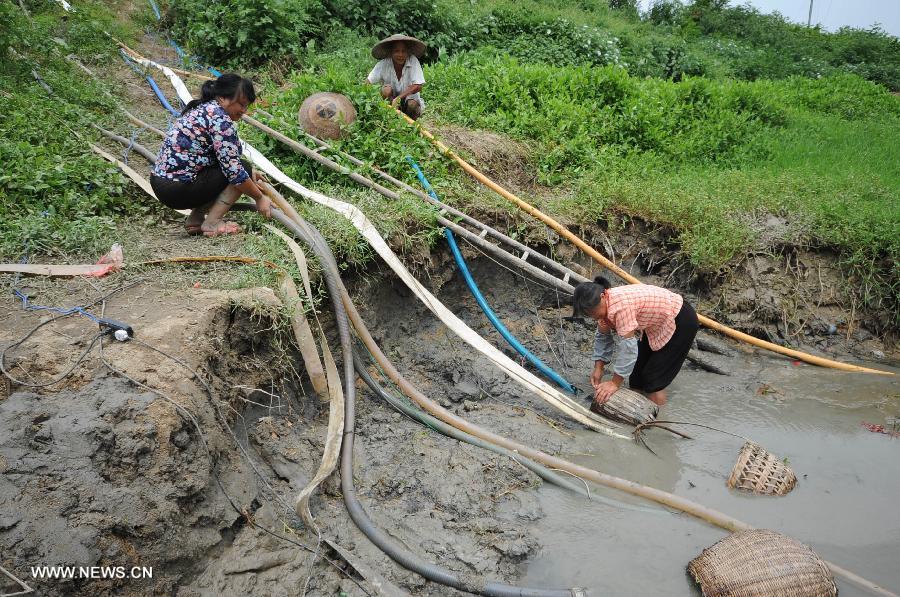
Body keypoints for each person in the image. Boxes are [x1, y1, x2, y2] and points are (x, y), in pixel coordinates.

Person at [150, 73, 271, 237]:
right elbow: (235, 172)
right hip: (178, 188)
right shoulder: (220, 119)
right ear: (222, 98)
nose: (244, 110)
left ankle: (196, 219)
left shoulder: (204, 109)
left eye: (246, 106)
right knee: (242, 169)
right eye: (241, 104)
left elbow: (220, 157)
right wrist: (259, 198)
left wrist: (249, 175)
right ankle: (212, 223)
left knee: (241, 170)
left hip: (163, 184)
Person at [571, 276, 699, 408]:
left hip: (680, 319)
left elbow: (628, 349)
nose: (593, 316)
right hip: (656, 324)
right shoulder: (603, 307)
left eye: (593, 311)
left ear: (603, 296)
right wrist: (598, 368)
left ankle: (656, 422)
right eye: (588, 313)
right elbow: (602, 337)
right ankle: (632, 410)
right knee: (636, 378)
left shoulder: (620, 307)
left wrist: (614, 383)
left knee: (653, 380)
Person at [365, 34, 427, 120]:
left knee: (412, 105)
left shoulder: (413, 60)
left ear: (407, 52)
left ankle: (410, 122)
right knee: (386, 90)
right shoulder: (384, 63)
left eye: (403, 51)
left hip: (409, 102)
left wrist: (398, 98)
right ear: (391, 52)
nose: (400, 55)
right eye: (396, 51)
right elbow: (368, 81)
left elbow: (418, 86)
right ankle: (390, 116)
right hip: (391, 103)